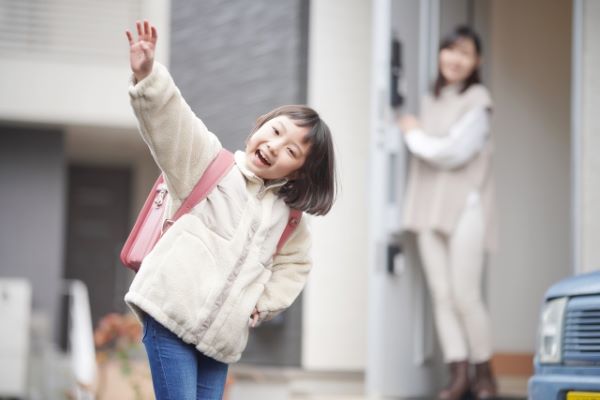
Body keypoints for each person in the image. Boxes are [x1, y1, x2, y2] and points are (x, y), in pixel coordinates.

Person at [123, 20, 336, 400]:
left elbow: (295, 265)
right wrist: (147, 76)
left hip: (220, 342)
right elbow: (175, 122)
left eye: (291, 151)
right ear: (261, 126)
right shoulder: (210, 165)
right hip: (168, 314)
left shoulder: (289, 220)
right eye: (276, 131)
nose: (275, 146)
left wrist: (263, 304)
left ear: (299, 172)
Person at [398, 26, 497, 400]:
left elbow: (454, 152)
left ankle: (484, 374)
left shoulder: (479, 101)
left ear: (477, 61)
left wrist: (412, 134)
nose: (455, 59)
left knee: (465, 294)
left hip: (465, 206)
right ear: (440, 54)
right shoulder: (430, 99)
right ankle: (459, 375)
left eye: (465, 52)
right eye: (450, 50)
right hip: (428, 206)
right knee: (441, 295)